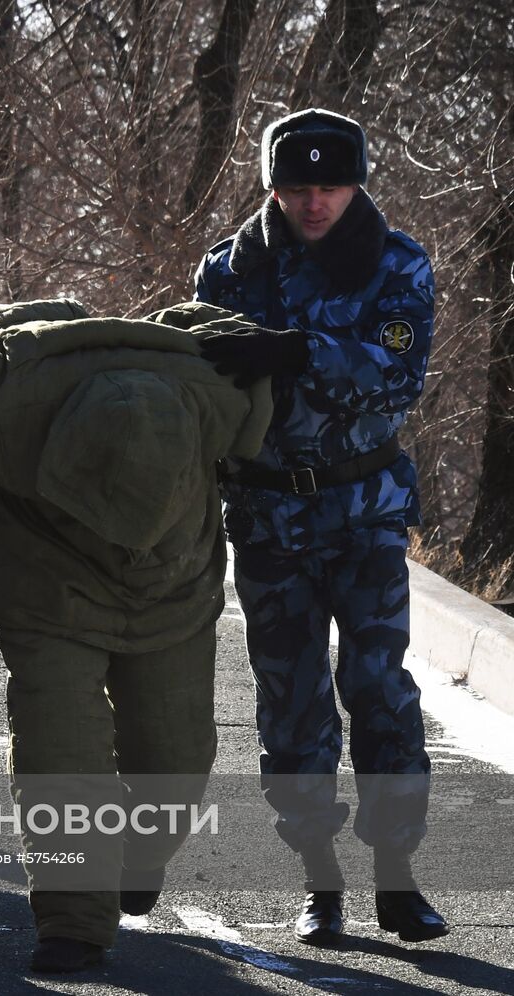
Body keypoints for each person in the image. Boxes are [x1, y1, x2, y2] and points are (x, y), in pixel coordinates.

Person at [0, 298, 272, 972]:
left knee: (176, 753)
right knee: (62, 751)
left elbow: (226, 335)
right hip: (44, 580)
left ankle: (138, 856)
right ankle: (73, 922)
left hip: (175, 584)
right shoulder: (10, 410)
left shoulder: (212, 398)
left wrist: (267, 344)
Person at [194, 107, 447, 944]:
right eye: (297, 188)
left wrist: (299, 351)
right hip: (268, 515)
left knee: (378, 690)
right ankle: (320, 882)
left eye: (329, 188)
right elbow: (201, 392)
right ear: (273, 187)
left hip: (363, 509)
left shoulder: (396, 264)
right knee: (292, 704)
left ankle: (398, 878)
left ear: (355, 184)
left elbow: (397, 379)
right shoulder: (229, 272)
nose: (313, 205)